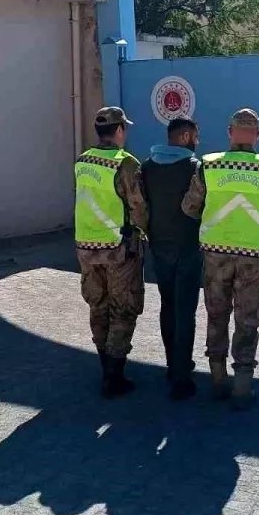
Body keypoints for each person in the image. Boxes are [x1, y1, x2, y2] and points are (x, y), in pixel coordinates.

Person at [182, 108, 259, 410]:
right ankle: (242, 388)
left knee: (216, 313)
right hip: (252, 254)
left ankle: (217, 380)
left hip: (215, 253)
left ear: (229, 132)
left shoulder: (209, 165)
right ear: (258, 135)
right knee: (247, 318)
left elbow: (190, 207)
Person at [74, 106, 149, 398]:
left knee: (98, 305)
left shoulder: (82, 161)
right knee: (123, 309)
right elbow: (138, 207)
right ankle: (114, 377)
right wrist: (146, 232)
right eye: (125, 128)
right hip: (119, 249)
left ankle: (106, 367)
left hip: (86, 247)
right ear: (119, 131)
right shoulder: (125, 163)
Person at [140, 116, 203, 400]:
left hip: (159, 247)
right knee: (185, 310)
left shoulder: (147, 167)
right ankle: (181, 376)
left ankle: (171, 365)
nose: (197, 142)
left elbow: (141, 209)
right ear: (186, 137)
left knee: (167, 305)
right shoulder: (195, 168)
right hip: (188, 248)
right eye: (195, 137)